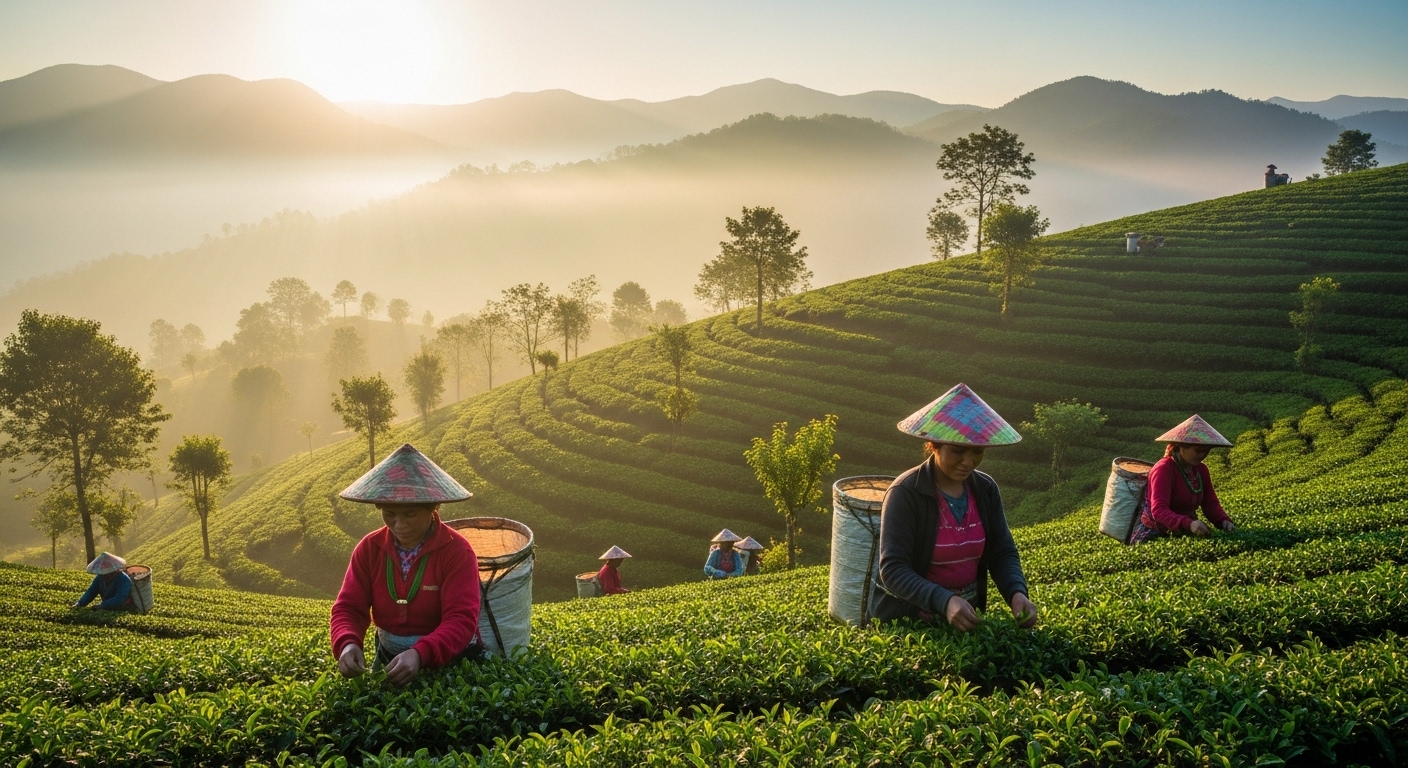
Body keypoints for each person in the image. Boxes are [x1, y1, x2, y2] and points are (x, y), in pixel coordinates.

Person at [875, 383, 1038, 632]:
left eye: (977, 452)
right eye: (958, 451)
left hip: (965, 620)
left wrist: (1016, 592)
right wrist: (945, 601)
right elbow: (893, 569)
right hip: (911, 624)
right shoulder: (906, 493)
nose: (968, 462)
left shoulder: (985, 490)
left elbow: (1002, 551)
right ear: (934, 444)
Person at [330, 444, 483, 687]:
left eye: (410, 514)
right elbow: (349, 607)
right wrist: (347, 643)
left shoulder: (456, 552)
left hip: (448, 657)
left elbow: (461, 620)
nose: (399, 524)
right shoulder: (370, 548)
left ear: (433, 508)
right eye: (390, 514)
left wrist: (421, 653)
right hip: (390, 657)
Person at [1129, 415, 1237, 544]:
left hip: (1186, 531)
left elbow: (1210, 503)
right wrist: (1189, 524)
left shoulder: (1201, 470)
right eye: (1198, 451)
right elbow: (1159, 510)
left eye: (1206, 451)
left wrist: (1223, 521)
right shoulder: (1164, 469)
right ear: (1181, 447)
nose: (1202, 455)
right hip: (1156, 533)